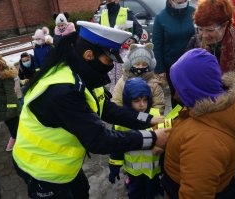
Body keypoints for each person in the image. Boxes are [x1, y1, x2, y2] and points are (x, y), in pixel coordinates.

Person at [12, 21, 170, 199]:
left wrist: (147, 119)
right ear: (89, 54)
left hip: (64, 167)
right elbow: (99, 139)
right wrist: (153, 138)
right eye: (108, 60)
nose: (111, 65)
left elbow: (108, 109)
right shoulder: (62, 90)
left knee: (82, 190)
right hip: (40, 170)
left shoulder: (85, 73)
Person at [161, 48, 235, 199]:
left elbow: (196, 193)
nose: (176, 94)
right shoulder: (213, 108)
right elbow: (184, 121)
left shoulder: (205, 140)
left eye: (180, 87)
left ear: (192, 88)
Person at [186, 0, 235, 92]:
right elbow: (186, 77)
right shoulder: (194, 43)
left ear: (225, 25)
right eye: (200, 29)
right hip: (202, 103)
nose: (204, 35)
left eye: (210, 30)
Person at [109, 77, 163, 199]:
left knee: (152, 193)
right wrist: (114, 166)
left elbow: (165, 141)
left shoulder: (156, 116)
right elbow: (116, 146)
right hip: (134, 172)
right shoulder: (121, 121)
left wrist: (165, 165)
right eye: (136, 100)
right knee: (135, 194)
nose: (142, 105)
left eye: (145, 99)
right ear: (128, 100)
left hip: (153, 170)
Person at [153, 0, 195, 108]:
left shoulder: (194, 12)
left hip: (194, 65)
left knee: (196, 97)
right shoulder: (160, 17)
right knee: (178, 98)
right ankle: (179, 123)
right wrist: (160, 69)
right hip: (173, 68)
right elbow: (157, 46)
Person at [100, 0, 143, 93]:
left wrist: (134, 39)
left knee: (125, 80)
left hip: (123, 54)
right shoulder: (103, 15)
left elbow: (138, 29)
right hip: (108, 54)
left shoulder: (126, 12)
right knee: (111, 82)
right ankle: (114, 102)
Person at [112, 43, 165, 114]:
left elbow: (158, 105)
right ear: (129, 64)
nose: (141, 67)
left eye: (144, 64)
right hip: (125, 120)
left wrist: (147, 119)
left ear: (150, 65)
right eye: (137, 64)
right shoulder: (122, 82)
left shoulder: (154, 83)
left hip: (149, 121)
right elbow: (117, 103)